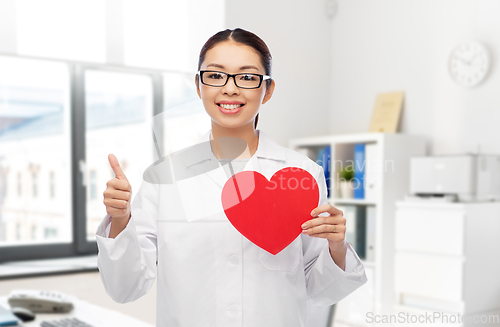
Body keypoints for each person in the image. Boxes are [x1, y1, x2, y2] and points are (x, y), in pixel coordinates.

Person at [96, 28, 367, 327]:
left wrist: (337, 246)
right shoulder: (165, 178)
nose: (230, 89)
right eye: (215, 75)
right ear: (199, 86)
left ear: (268, 89)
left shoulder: (302, 175)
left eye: (247, 77)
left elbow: (321, 290)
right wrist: (120, 220)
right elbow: (126, 288)